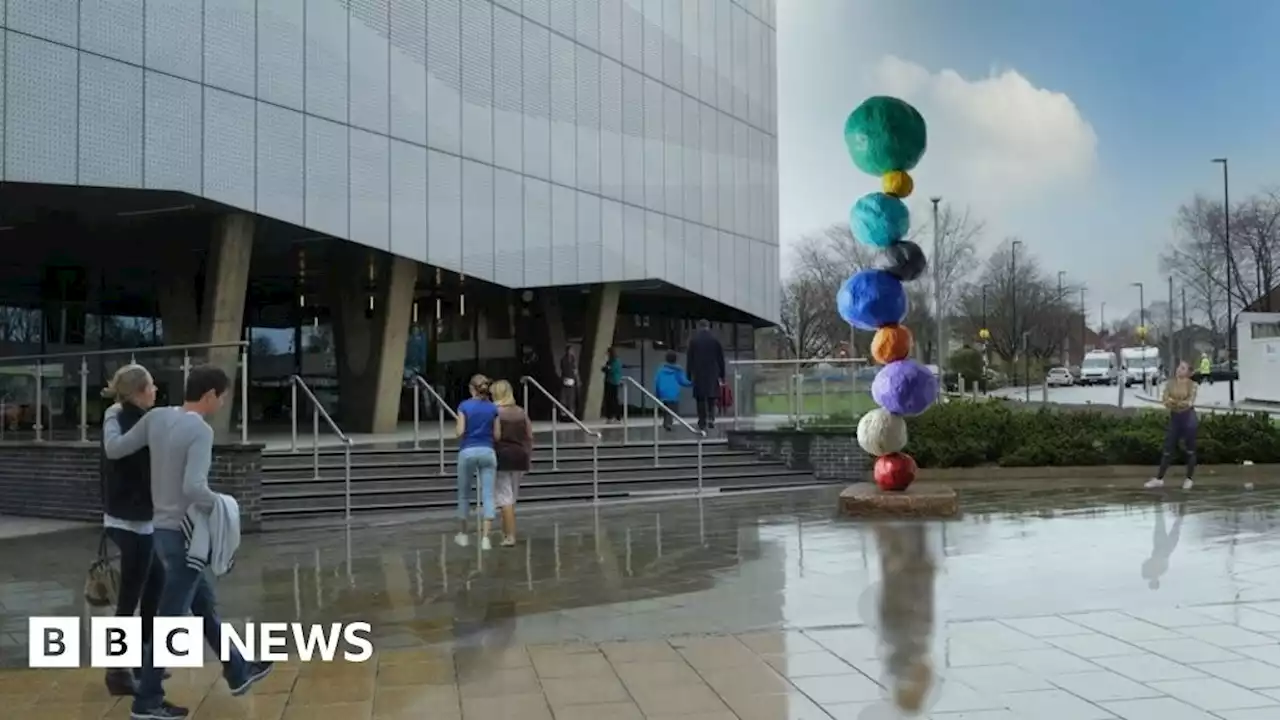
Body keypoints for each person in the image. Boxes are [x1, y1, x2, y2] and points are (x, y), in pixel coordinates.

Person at [104, 365, 272, 720]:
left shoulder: (157, 418)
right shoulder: (200, 430)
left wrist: (112, 411)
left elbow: (116, 449)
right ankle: (147, 700)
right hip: (185, 535)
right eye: (223, 396)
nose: (223, 402)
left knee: (204, 605)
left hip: (161, 531)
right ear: (210, 395)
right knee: (170, 620)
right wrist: (225, 506)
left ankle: (239, 671)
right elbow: (194, 488)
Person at [99, 364, 166, 697]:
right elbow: (121, 455)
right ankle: (117, 670)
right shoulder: (122, 417)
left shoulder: (140, 418)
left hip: (140, 518)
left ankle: (142, 659)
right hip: (129, 520)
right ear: (139, 391)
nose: (155, 391)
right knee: (129, 597)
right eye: (151, 386)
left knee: (155, 583)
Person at [456, 374, 499, 550]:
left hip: (467, 451)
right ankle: (486, 538)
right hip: (488, 451)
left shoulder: (464, 406)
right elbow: (497, 435)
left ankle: (464, 535)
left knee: (464, 493)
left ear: (471, 388)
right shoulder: (493, 408)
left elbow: (460, 431)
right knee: (488, 494)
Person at [490, 380, 533, 547]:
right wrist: (528, 454)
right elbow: (529, 435)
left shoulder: (496, 412)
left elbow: (497, 436)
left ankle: (509, 536)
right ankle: (508, 531)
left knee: (504, 497)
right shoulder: (521, 412)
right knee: (511, 497)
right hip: (520, 456)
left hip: (503, 456)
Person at [1145, 361, 1199, 491]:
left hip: (1188, 418)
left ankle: (1189, 479)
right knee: (1168, 448)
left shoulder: (1193, 385)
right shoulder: (1170, 383)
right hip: (1175, 418)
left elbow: (1189, 402)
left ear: (1188, 372)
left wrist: (1175, 402)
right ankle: (1159, 479)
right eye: (1179, 367)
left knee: (1190, 450)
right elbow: (1165, 399)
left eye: (1182, 368)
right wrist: (1176, 403)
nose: (1179, 370)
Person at [685, 319, 726, 430]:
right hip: (713, 372)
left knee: (700, 398)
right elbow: (720, 359)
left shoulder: (693, 341)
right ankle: (711, 418)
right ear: (708, 327)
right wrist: (722, 375)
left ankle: (702, 420)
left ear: (699, 327)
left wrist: (688, 374)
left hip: (698, 373)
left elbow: (690, 359)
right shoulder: (715, 341)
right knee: (711, 397)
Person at [1141, 502, 1185, 590]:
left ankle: (1158, 503)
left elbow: (1146, 562)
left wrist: (1154, 560)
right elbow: (1161, 561)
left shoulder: (1149, 572)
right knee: (1174, 527)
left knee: (1161, 523)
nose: (1154, 580)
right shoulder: (1161, 571)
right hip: (1165, 550)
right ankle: (1181, 508)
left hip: (1160, 547)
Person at [654, 351, 693, 431]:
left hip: (663, 392)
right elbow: (683, 381)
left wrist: (656, 393)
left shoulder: (660, 369)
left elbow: (657, 381)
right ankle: (668, 423)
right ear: (676, 360)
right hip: (673, 393)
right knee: (673, 410)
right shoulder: (678, 370)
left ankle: (666, 423)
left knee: (667, 409)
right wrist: (692, 383)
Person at [601, 346, 623, 423]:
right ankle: (610, 416)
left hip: (613, 382)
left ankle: (617, 416)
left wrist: (606, 368)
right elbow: (606, 368)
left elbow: (611, 369)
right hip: (609, 381)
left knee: (613, 400)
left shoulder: (615, 361)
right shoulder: (610, 361)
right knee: (609, 400)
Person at [558, 346, 579, 417]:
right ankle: (563, 412)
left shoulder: (573, 360)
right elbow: (563, 369)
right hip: (566, 378)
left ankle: (571, 411)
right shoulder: (563, 360)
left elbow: (575, 371)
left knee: (571, 397)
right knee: (564, 396)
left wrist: (577, 379)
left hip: (571, 379)